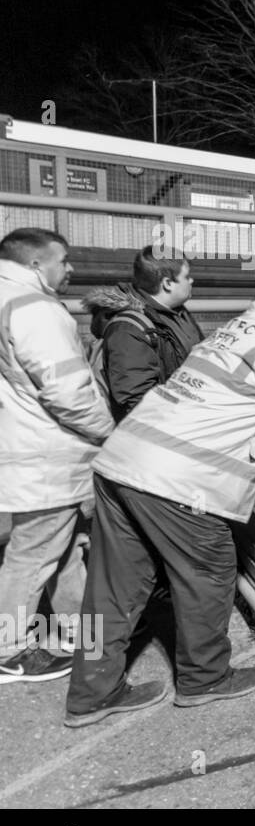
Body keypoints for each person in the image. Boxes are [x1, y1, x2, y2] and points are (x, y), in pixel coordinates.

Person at [65, 283, 255, 727]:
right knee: (208, 571)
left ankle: (90, 693)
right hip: (180, 479)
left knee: (110, 588)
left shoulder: (226, 332)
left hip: (122, 460)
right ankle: (204, 678)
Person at [0, 229, 115, 685]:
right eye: (62, 261)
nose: (70, 270)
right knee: (33, 554)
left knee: (63, 548)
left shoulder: (9, 299)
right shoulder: (36, 309)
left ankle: (79, 630)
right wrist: (109, 432)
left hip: (30, 447)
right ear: (34, 264)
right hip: (46, 452)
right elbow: (67, 392)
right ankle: (9, 651)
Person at [83, 245, 204, 421]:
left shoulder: (177, 312)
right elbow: (135, 400)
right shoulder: (128, 328)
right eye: (186, 277)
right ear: (167, 284)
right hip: (163, 429)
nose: (191, 281)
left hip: (187, 417)